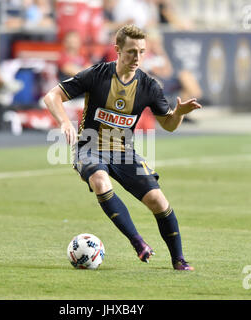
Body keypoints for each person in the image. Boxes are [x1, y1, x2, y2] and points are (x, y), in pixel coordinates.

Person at [44, 24, 201, 270]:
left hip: (124, 152)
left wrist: (179, 113)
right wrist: (64, 122)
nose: (137, 58)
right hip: (89, 147)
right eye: (131, 52)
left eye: (141, 51)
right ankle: (138, 242)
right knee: (99, 180)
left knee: (158, 202)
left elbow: (169, 125)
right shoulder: (96, 75)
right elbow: (52, 96)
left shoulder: (149, 86)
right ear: (117, 50)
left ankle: (179, 260)